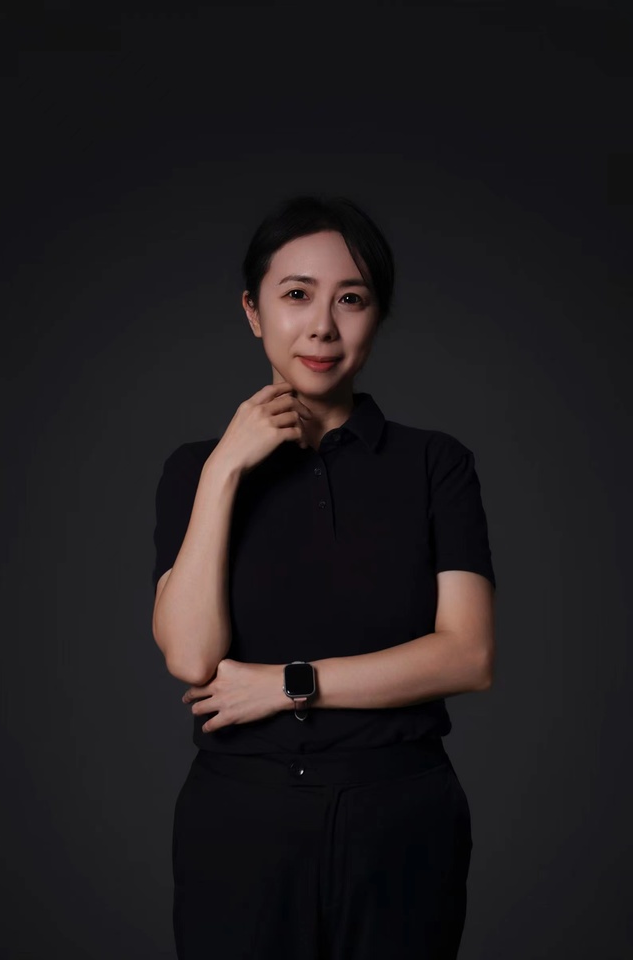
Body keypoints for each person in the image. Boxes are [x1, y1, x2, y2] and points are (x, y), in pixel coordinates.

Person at [151, 194, 497, 960]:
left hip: (401, 817)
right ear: (253, 310)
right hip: (240, 821)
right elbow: (190, 656)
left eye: (352, 299)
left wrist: (288, 684)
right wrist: (225, 469)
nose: (322, 327)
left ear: (378, 316)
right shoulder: (194, 469)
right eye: (297, 294)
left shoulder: (435, 464)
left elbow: (468, 656)